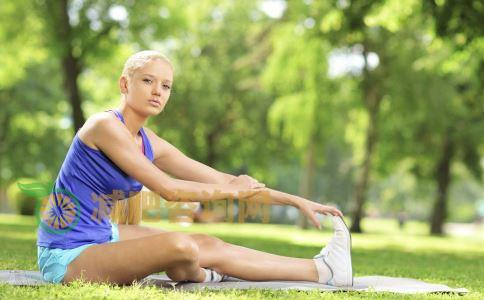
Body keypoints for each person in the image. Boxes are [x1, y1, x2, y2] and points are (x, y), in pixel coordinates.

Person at [37, 50, 353, 287]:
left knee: (206, 243)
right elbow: (169, 189)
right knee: (181, 245)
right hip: (65, 255)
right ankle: (196, 273)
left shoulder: (149, 142)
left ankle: (323, 270)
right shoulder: (104, 126)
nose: (157, 91)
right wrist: (232, 190)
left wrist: (297, 201)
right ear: (124, 83)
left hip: (104, 235)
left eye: (166, 85)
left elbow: (225, 180)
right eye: (147, 80)